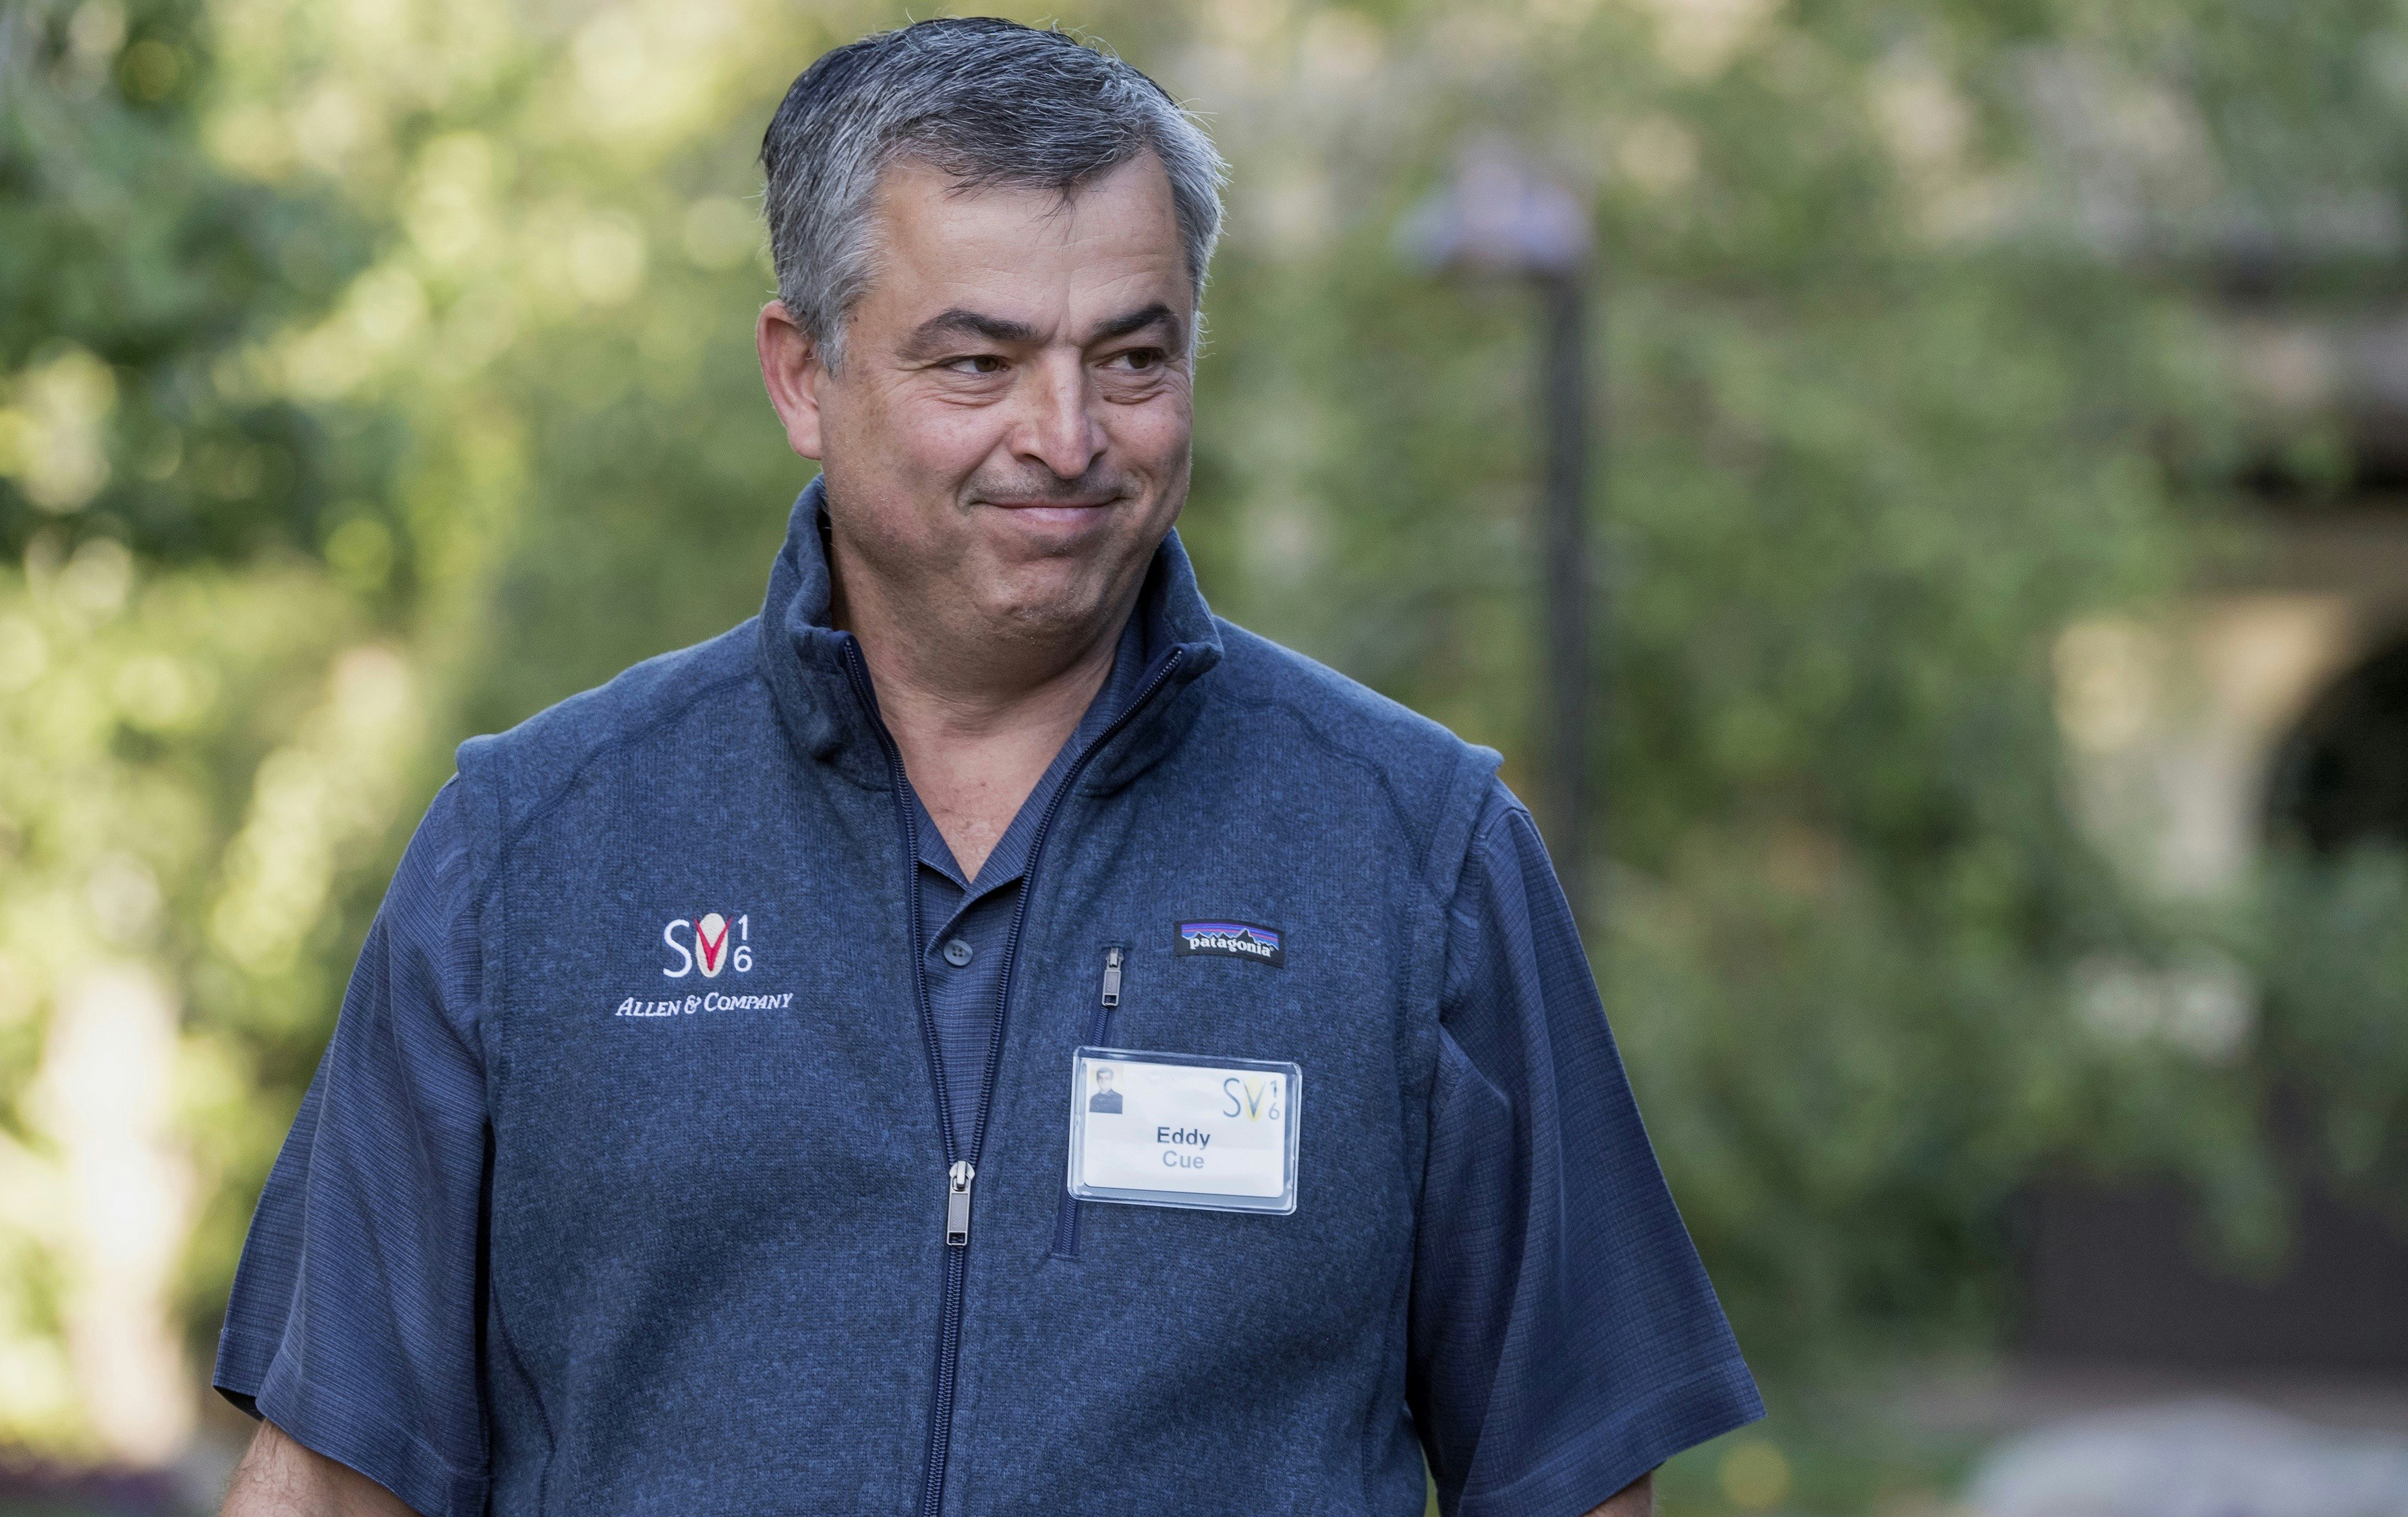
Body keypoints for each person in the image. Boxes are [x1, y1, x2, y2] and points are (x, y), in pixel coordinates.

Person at [210, 18, 1761, 1517]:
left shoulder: (1419, 857)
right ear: (801, 376)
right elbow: (335, 1487)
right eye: (977, 363)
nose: (1067, 434)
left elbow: (1571, 1479)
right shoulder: (532, 852)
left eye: (1132, 358)